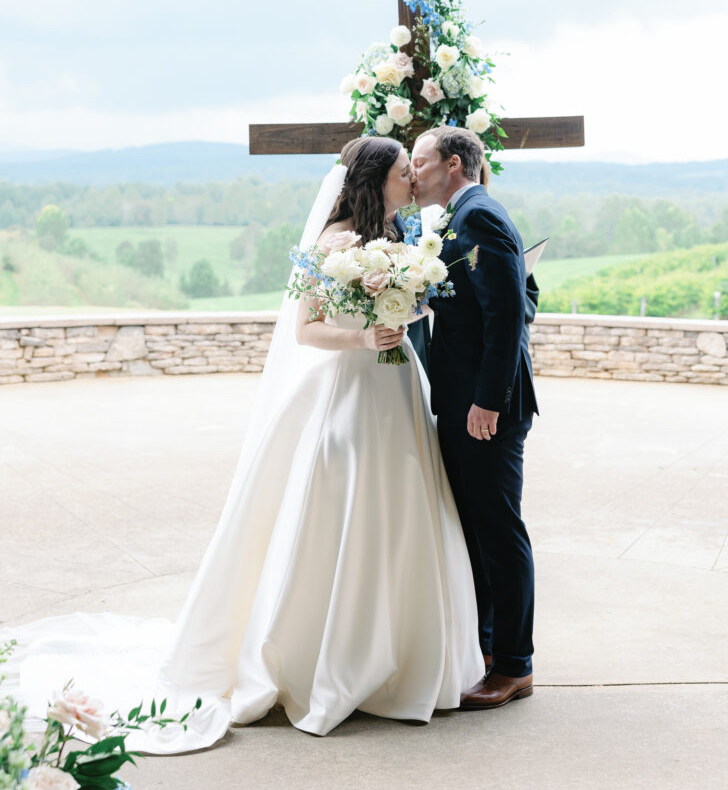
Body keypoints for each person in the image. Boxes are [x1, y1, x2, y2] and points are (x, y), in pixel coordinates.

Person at [2, 135, 484, 748]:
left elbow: (415, 303)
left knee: (408, 507)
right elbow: (307, 330)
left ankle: (406, 656)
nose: (409, 181)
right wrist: (366, 339)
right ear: (372, 180)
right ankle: (328, 659)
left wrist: (406, 314)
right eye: (398, 173)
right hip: (351, 388)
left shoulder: (404, 239)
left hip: (398, 391)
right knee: (343, 504)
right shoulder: (334, 242)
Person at [411, 126, 539, 709]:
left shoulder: (479, 215)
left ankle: (514, 665)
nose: (413, 172)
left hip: (486, 407)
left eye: (421, 159)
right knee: (477, 531)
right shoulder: (458, 217)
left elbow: (511, 312)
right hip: (463, 399)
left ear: (454, 164)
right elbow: (520, 291)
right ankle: (487, 649)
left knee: (498, 531)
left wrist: (488, 399)